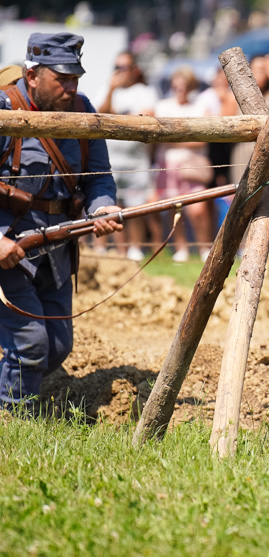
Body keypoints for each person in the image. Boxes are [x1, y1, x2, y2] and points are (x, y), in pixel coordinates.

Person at [0, 32, 123, 411]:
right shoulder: (4, 108)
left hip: (57, 247)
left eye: (75, 79)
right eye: (62, 79)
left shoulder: (83, 111)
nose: (71, 87)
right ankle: (15, 420)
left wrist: (102, 209)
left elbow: (99, 175)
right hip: (10, 244)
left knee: (57, 343)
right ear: (32, 74)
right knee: (31, 341)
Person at [98, 51, 159, 261]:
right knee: (112, 205)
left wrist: (114, 117)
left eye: (123, 67)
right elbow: (98, 116)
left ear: (134, 70)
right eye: (116, 67)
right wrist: (110, 91)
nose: (119, 72)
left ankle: (135, 248)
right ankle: (116, 250)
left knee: (136, 207)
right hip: (110, 160)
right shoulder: (106, 90)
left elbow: (146, 117)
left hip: (136, 161)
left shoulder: (145, 91)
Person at [154, 66, 213, 262]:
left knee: (198, 209)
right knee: (173, 206)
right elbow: (158, 137)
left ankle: (204, 247)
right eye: (177, 84)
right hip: (168, 164)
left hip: (192, 165)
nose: (180, 88)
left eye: (185, 85)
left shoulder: (200, 107)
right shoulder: (162, 106)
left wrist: (173, 140)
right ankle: (181, 248)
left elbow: (202, 139)